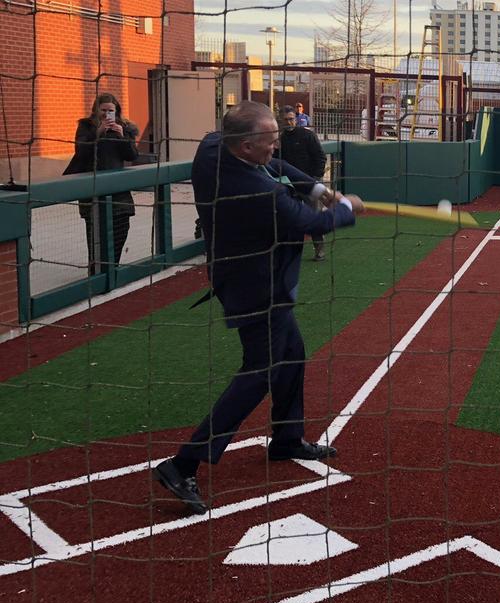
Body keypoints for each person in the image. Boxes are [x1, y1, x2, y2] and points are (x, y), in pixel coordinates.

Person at [152, 101, 365, 515]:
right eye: (267, 143)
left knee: (292, 356)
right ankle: (182, 464)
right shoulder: (253, 189)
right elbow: (311, 224)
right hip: (256, 286)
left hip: (253, 277)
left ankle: (286, 439)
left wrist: (320, 188)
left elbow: (285, 167)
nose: (274, 148)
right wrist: (343, 208)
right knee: (260, 370)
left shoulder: (214, 146)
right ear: (245, 146)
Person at [62, 93, 140, 276]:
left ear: (116, 111)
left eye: (110, 111)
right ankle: (96, 272)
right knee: (95, 231)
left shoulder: (125, 127)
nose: (106, 115)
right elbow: (80, 152)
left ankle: (113, 268)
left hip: (118, 187)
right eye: (103, 111)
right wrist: (98, 134)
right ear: (96, 111)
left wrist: (122, 136)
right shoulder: (86, 127)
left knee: (121, 226)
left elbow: (132, 155)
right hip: (92, 187)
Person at [277, 105, 329, 260]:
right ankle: (290, 251)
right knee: (288, 218)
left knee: (313, 216)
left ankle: (319, 249)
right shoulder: (279, 139)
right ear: (281, 120)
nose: (289, 122)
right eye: (286, 120)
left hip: (308, 184)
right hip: (288, 185)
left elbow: (320, 157)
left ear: (296, 119)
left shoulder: (307, 135)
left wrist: (315, 179)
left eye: (291, 119)